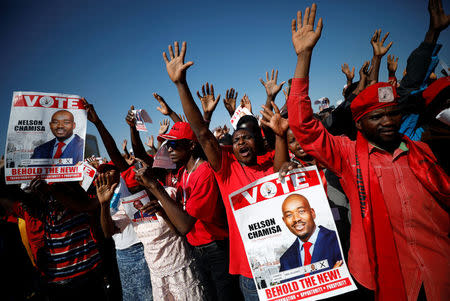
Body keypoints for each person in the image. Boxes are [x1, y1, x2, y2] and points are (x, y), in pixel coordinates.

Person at [287, 3, 449, 301]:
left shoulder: (424, 151)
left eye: (392, 113)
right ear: (359, 124)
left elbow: (413, 84)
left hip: (440, 274)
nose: (388, 121)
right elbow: (303, 125)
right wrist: (304, 56)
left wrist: (432, 33)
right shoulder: (347, 156)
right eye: (377, 117)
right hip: (381, 279)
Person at [161, 40, 289, 300]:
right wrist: (181, 85)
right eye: (237, 137)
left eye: (247, 137)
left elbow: (279, 165)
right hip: (251, 275)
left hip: (287, 266)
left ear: (260, 143)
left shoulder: (271, 163)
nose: (241, 141)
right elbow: (202, 134)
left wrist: (281, 136)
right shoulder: (227, 170)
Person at [279, 194, 342, 278]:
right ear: (284, 221)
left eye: (301, 211)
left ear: (312, 213)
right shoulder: (285, 260)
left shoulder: (337, 239)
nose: (296, 219)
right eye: (289, 215)